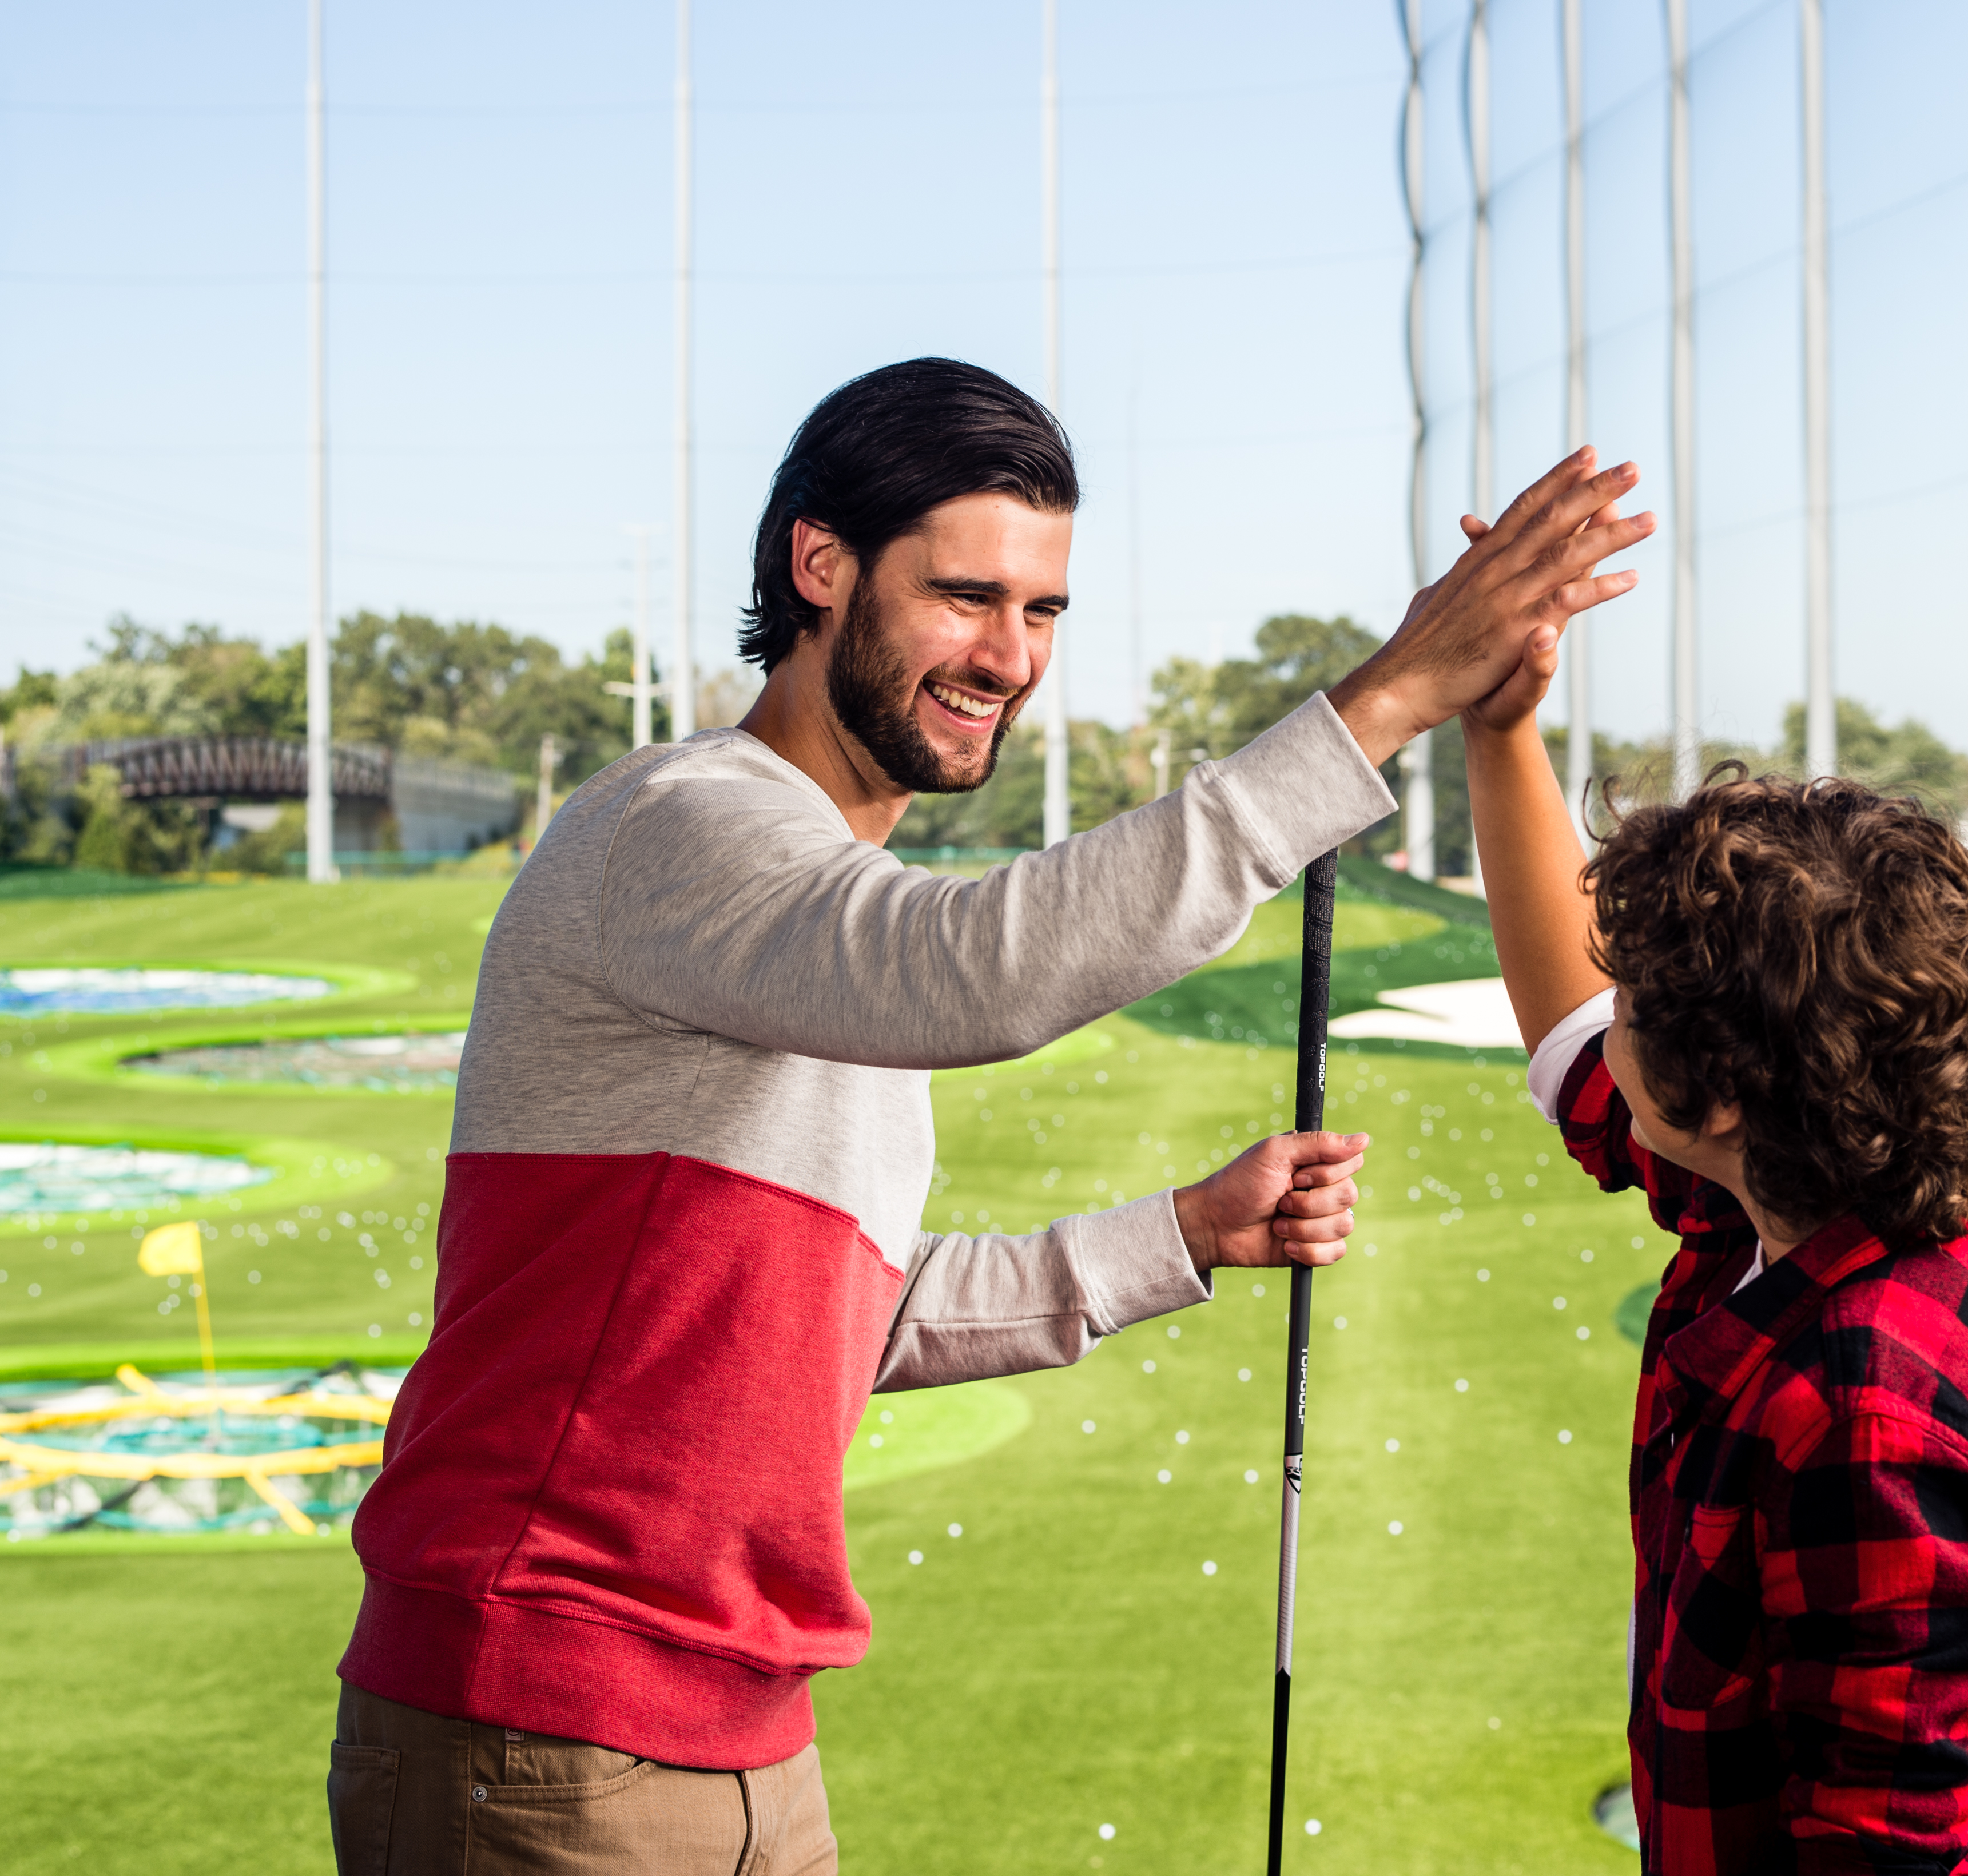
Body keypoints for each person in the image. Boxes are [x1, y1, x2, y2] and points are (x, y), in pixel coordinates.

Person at [325, 358, 1652, 1875]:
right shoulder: (683, 827)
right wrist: (1386, 700)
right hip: (544, 1721)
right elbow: (973, 971)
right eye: (964, 596)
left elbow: (834, 1319)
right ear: (819, 568)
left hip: (743, 1730)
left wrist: (1184, 1236)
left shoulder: (807, 900)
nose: (1008, 657)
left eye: (1042, 612)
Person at [1462, 617, 1968, 1873]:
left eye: (1638, 1000)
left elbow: (1889, 1848)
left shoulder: (1866, 1406)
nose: (1614, 1010)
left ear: (1716, 1093)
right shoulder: (1804, 1187)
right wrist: (1499, 728)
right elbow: (1568, 1033)